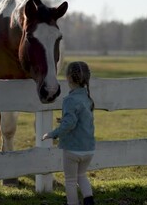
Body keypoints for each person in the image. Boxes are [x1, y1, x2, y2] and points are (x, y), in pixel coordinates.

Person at [42, 61, 96, 205]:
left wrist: (53, 133)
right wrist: (64, 120)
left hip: (73, 150)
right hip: (88, 149)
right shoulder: (87, 99)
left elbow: (70, 124)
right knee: (81, 175)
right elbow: (78, 120)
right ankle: (89, 201)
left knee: (70, 181)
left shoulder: (69, 100)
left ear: (69, 78)